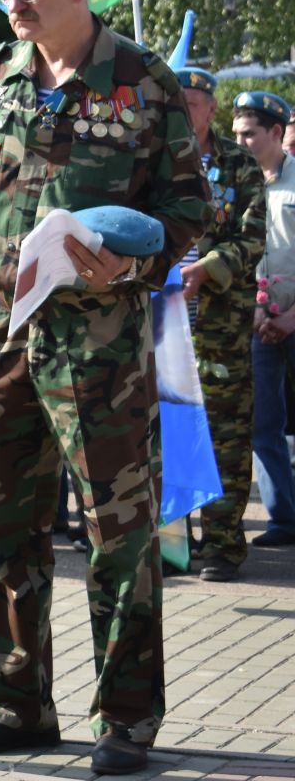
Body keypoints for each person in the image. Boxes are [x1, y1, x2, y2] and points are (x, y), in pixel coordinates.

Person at [0, 0, 207, 773]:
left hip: (98, 352)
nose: (13, 3)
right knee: (6, 531)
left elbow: (190, 210)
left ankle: (126, 722)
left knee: (116, 537)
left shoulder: (142, 84)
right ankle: (19, 708)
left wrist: (133, 259)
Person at [170, 66, 264, 580]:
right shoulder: (154, 159)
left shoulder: (239, 164)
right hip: (162, 325)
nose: (186, 109)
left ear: (212, 108)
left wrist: (209, 269)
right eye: (177, 100)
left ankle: (223, 545)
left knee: (225, 434)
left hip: (220, 326)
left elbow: (254, 238)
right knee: (168, 431)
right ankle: (171, 545)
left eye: (195, 102)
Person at [237, 92, 295, 550]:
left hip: (294, 317)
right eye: (237, 134)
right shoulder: (236, 183)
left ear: (276, 133)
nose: (242, 142)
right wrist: (258, 309)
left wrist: (292, 317)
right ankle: (283, 518)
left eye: (250, 134)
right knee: (264, 423)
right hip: (258, 320)